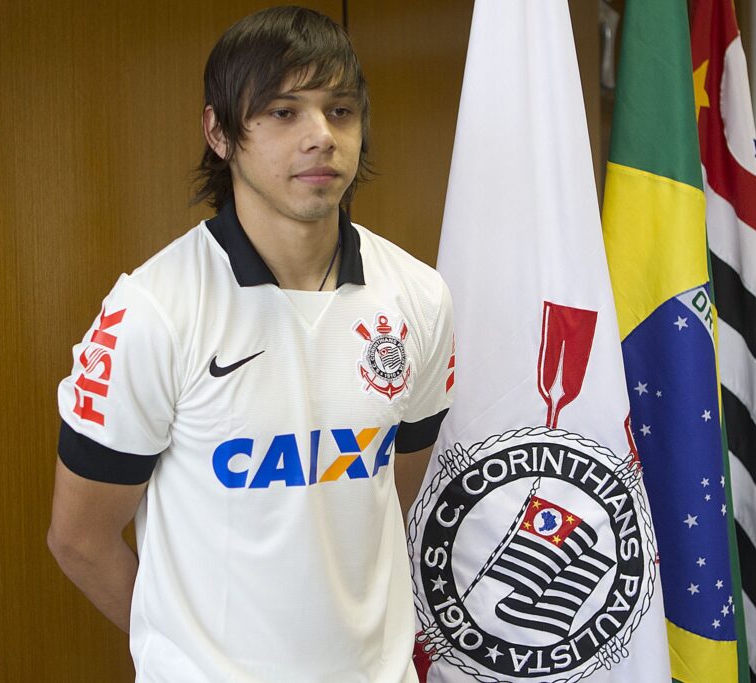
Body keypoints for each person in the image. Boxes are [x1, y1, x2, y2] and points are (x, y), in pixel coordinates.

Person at [47, 7, 455, 682]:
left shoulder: (419, 296)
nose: (321, 136)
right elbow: (79, 538)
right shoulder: (154, 308)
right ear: (220, 132)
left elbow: (392, 487)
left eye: (341, 110)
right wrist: (182, 649)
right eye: (283, 112)